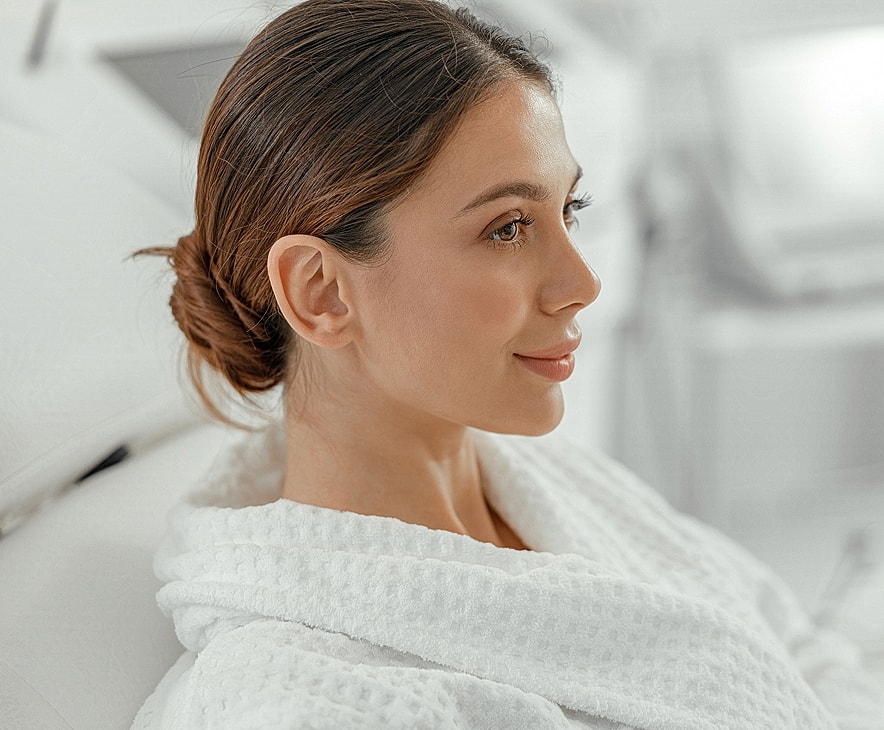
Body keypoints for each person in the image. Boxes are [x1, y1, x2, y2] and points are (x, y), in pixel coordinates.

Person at [132, 1, 883, 727]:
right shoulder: (309, 700)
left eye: (570, 212)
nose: (584, 285)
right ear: (321, 291)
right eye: (508, 228)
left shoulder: (559, 485)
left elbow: (796, 654)